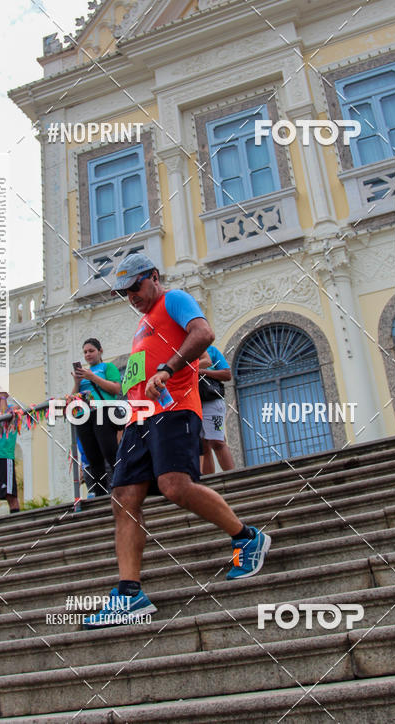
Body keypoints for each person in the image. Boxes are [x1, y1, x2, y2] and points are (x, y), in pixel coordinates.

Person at [84, 254, 270, 628]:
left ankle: (247, 537)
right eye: (125, 292)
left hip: (176, 409)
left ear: (154, 276)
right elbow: (134, 379)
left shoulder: (175, 299)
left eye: (136, 287)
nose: (132, 296)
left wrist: (168, 369)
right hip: (139, 420)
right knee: (123, 498)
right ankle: (129, 593)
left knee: (174, 485)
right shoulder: (141, 326)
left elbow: (204, 335)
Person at [71, 338, 123, 497]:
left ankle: (121, 488)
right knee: (93, 457)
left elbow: (115, 388)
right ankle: (100, 493)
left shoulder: (108, 367)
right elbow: (74, 397)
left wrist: (92, 377)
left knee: (110, 451)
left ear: (100, 351)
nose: (88, 354)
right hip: (84, 415)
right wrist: (77, 382)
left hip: (103, 411)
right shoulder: (83, 374)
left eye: (91, 351)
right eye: (85, 352)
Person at [199, 344, 235, 474]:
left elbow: (227, 374)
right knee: (203, 445)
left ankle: (233, 480)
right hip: (194, 404)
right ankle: (210, 484)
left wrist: (203, 372)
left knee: (217, 441)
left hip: (212, 401)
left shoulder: (211, 351)